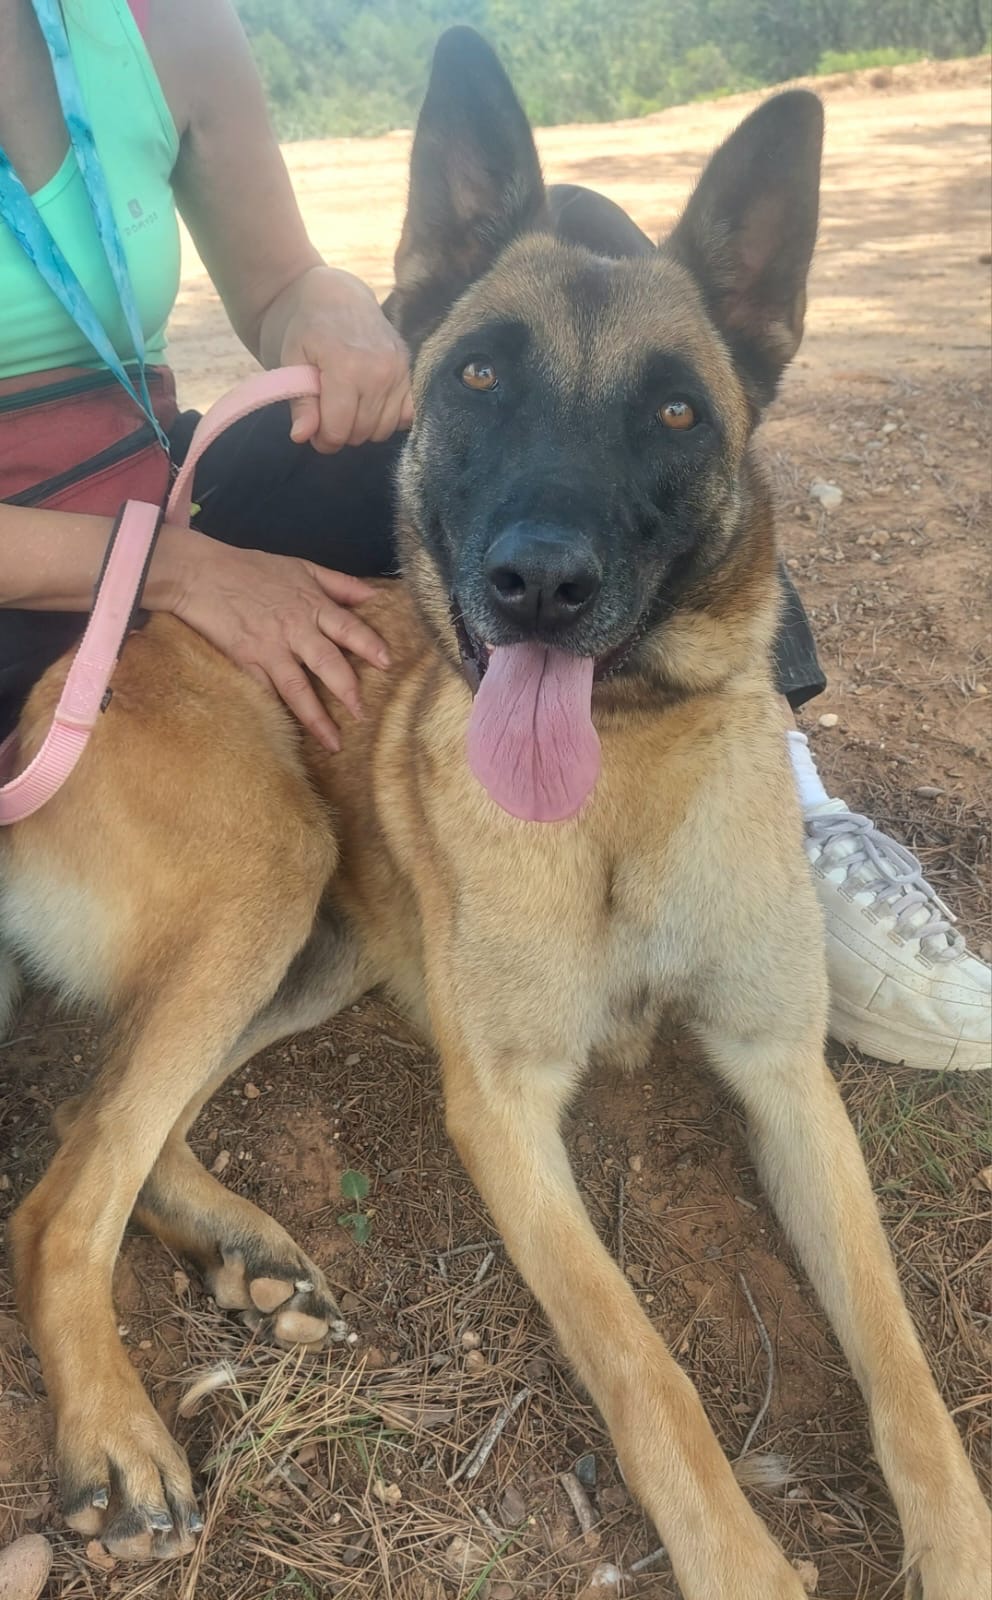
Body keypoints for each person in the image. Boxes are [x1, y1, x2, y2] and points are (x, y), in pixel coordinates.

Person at [0, 0, 987, 1117]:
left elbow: (278, 287)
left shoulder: (163, 27)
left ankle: (793, 814)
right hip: (42, 586)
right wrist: (174, 570)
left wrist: (328, 314)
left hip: (178, 491)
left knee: (589, 248)